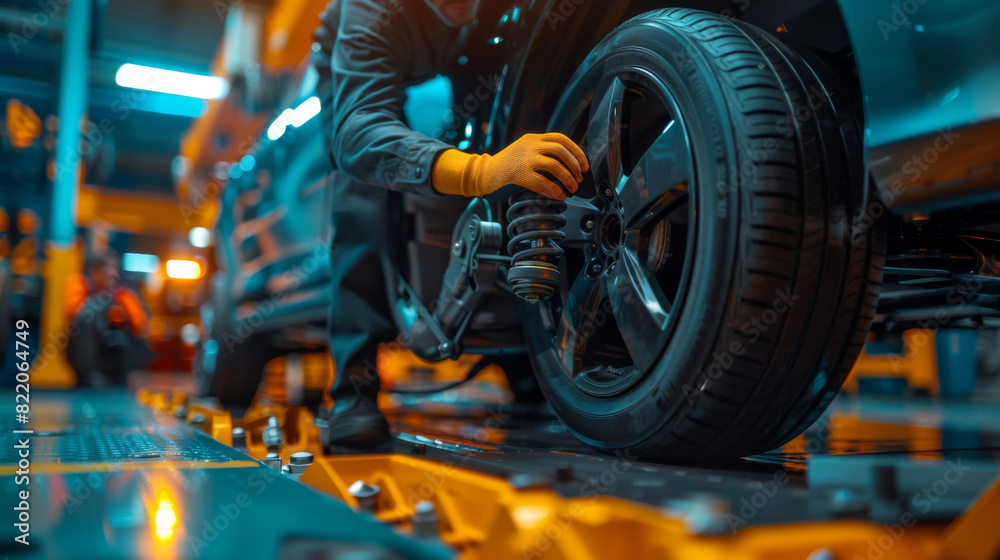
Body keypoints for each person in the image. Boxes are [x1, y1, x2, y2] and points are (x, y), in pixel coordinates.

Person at [312, 0, 589, 448]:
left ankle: (519, 354)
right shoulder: (371, 11)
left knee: (494, 135)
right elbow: (358, 132)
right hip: (359, 73)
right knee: (362, 195)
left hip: (468, 48)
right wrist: (478, 172)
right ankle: (352, 392)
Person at [65, 251, 153, 387]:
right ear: (94, 272)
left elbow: (139, 325)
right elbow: (75, 315)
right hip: (86, 352)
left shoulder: (123, 295)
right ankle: (88, 377)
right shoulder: (80, 286)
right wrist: (100, 303)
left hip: (114, 356)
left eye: (115, 269)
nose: (114, 274)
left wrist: (119, 313)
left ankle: (118, 377)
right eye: (109, 269)